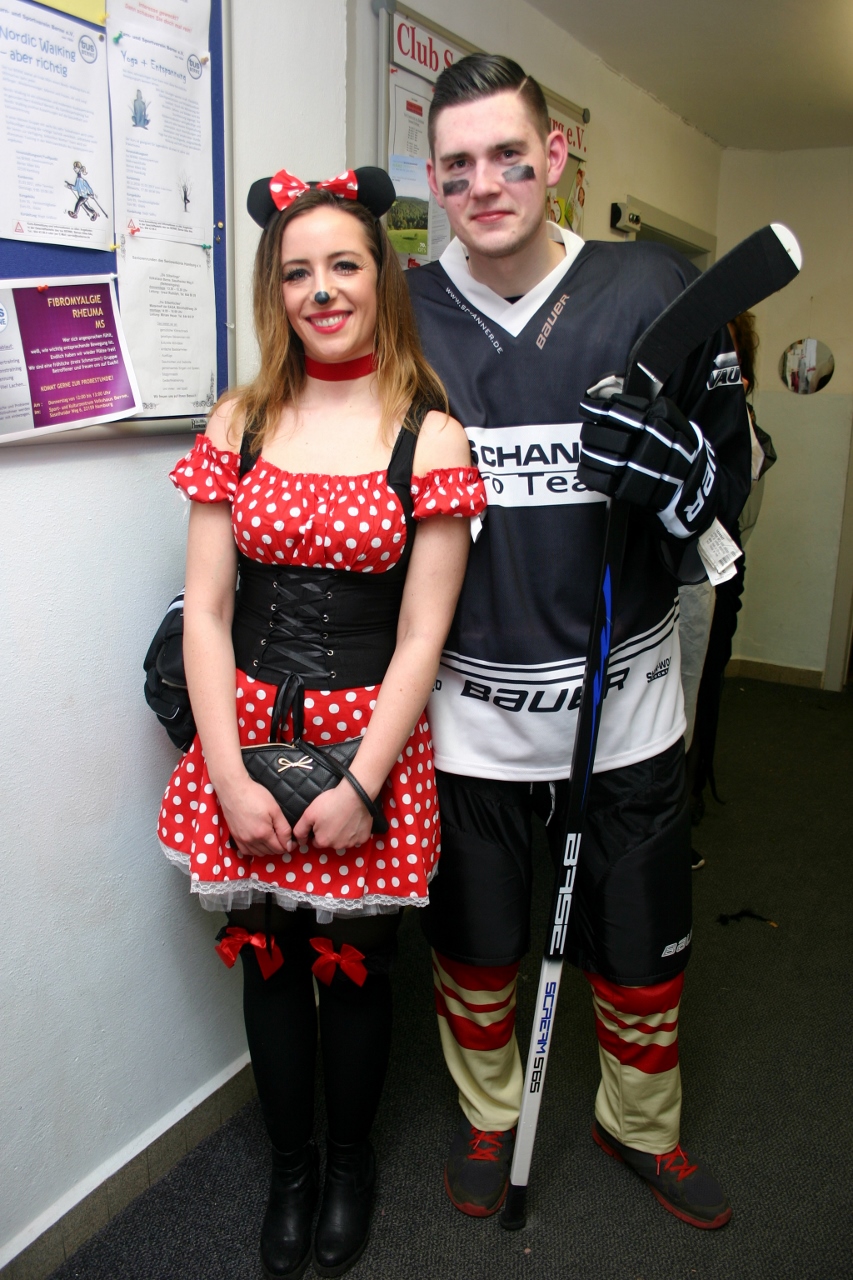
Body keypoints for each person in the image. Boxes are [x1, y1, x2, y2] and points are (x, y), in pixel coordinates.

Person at [406, 54, 751, 1230]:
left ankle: (637, 1121)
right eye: (459, 165)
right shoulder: (407, 313)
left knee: (642, 949)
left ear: (556, 157)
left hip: (628, 713)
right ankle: (490, 1112)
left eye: (510, 155)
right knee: (474, 946)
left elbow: (724, 498)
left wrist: (683, 478)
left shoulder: (652, 286)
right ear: (435, 178)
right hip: (471, 727)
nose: (485, 183)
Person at [157, 167, 485, 1279]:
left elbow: (422, 636)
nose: (322, 289)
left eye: (343, 264)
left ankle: (349, 1164)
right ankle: (290, 1169)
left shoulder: (429, 434)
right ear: (277, 290)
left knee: (351, 965)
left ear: (380, 276)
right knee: (267, 960)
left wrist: (360, 786)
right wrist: (227, 774)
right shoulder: (240, 419)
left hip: (367, 743)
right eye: (297, 272)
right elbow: (206, 612)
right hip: (243, 733)